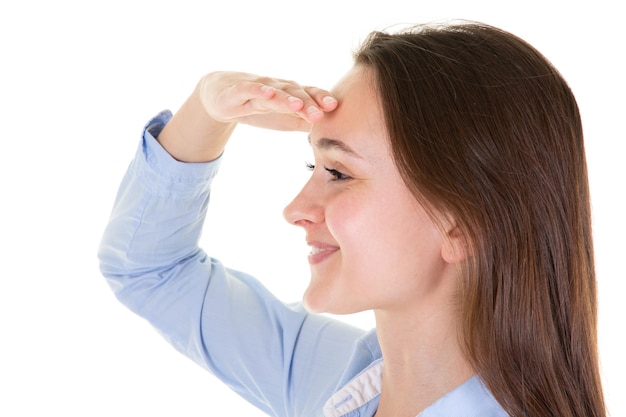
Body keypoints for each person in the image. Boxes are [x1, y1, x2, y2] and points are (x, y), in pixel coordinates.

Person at [98, 21, 606, 416]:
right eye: (311, 165)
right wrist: (207, 109)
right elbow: (150, 269)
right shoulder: (334, 381)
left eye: (338, 173)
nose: (296, 210)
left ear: (462, 223)